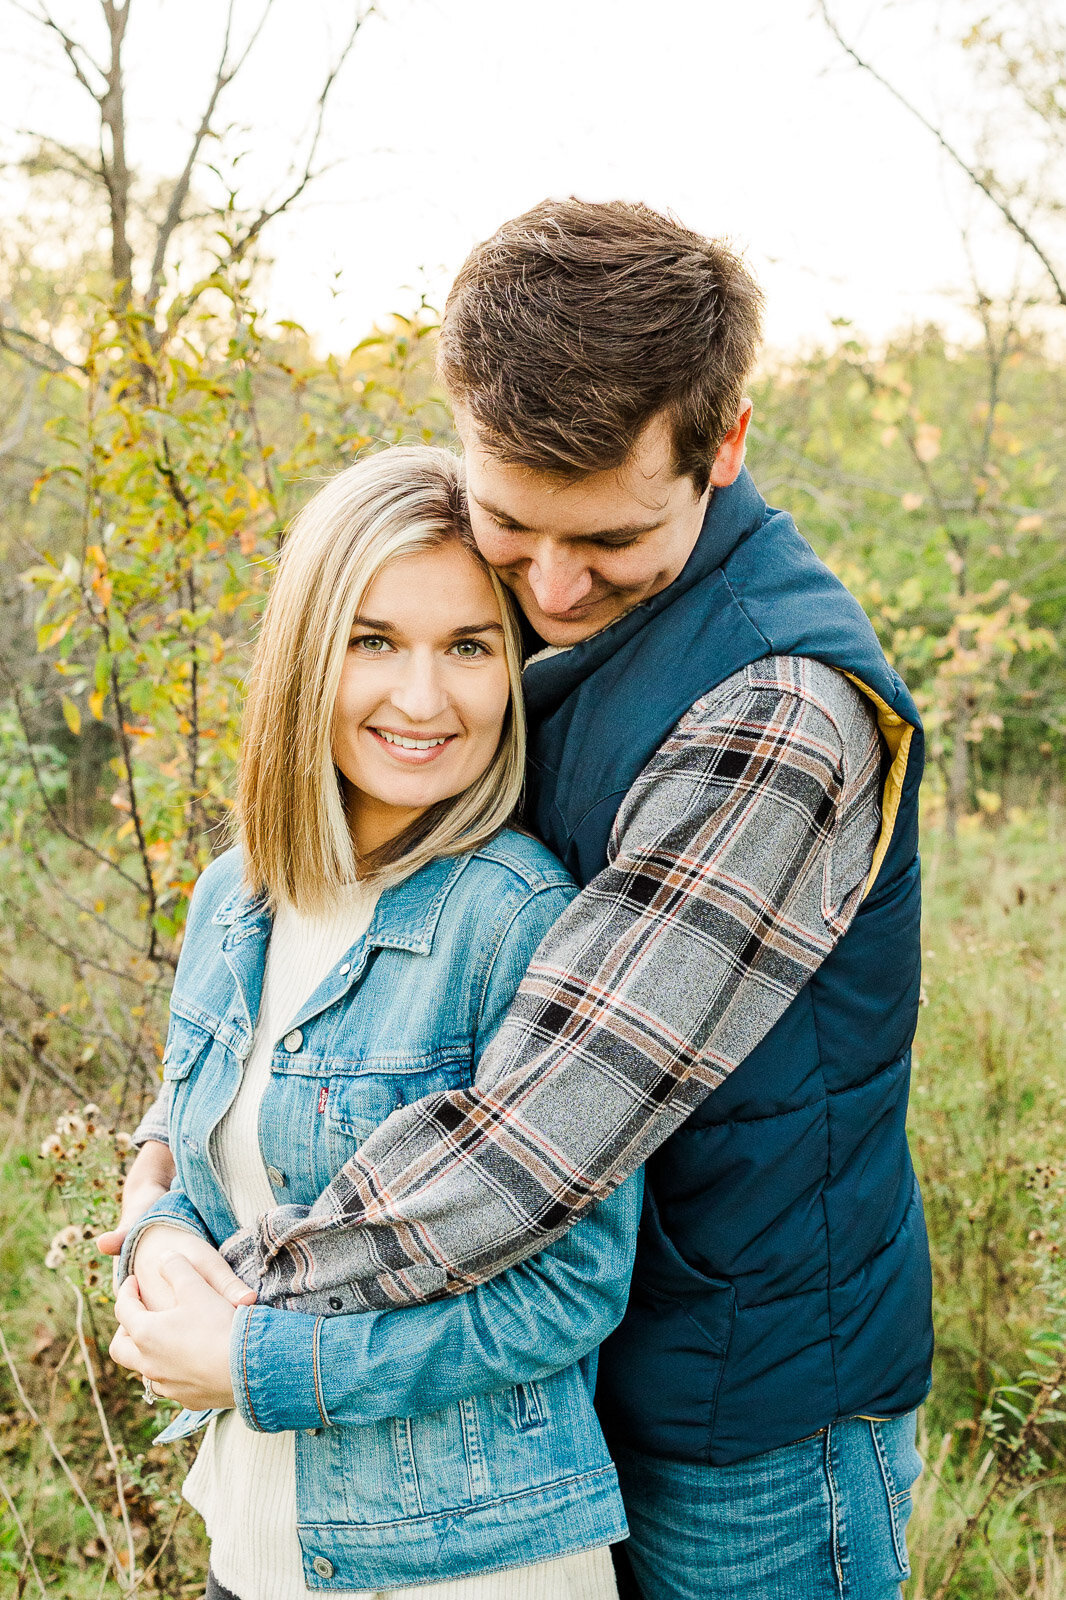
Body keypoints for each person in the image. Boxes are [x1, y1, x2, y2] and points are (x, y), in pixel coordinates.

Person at [110, 201, 932, 1600]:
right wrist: (162, 1182)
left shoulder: (775, 711)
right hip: (570, 1393)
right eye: (509, 522)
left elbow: (530, 1140)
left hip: (750, 1428)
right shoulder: (524, 632)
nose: (549, 586)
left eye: (607, 537)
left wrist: (232, 1313)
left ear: (721, 446)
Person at [106, 445, 641, 1600]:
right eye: (373, 640)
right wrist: (151, 1244)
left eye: (469, 646)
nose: (422, 698)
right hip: (251, 1542)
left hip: (468, 1558)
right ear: (306, 655)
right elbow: (184, 1145)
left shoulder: (517, 917)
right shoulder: (232, 895)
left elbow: (572, 1291)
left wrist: (261, 1362)